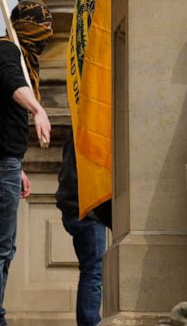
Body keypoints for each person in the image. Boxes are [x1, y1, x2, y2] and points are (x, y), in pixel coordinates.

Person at [0, 0, 53, 326]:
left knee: (4, 250)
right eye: (42, 29)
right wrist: (38, 109)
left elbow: (1, 120)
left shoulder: (13, 55)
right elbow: (14, 85)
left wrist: (19, 167)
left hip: (4, 165)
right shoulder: (5, 51)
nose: (46, 37)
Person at [55, 134, 111, 326]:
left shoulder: (80, 128)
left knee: (91, 270)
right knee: (93, 271)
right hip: (86, 211)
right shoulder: (90, 130)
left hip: (77, 208)